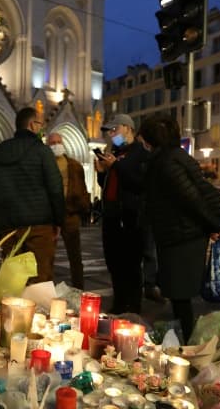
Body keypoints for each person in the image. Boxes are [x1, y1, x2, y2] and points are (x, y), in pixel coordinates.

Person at [139, 115, 220, 339]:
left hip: (182, 236)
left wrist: (214, 225)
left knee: (180, 295)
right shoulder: (169, 158)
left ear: (152, 140)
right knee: (178, 294)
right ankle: (184, 341)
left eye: (145, 139)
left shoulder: (168, 162)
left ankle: (188, 344)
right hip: (177, 234)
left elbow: (192, 198)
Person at [0, 107, 64, 284]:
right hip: (39, 226)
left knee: (14, 283)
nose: (42, 128)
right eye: (40, 124)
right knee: (41, 279)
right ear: (31, 125)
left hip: (7, 228)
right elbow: (55, 188)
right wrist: (58, 221)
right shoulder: (42, 151)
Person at [95, 114, 149, 314]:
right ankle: (119, 303)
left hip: (130, 218)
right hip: (111, 215)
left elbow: (138, 183)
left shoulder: (139, 153)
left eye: (114, 129)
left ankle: (133, 307)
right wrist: (102, 172)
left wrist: (115, 166)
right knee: (114, 263)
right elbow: (110, 186)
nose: (111, 134)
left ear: (127, 128)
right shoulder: (115, 152)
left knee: (131, 265)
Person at [47, 133, 91, 289]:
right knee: (47, 257)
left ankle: (79, 289)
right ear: (47, 145)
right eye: (53, 143)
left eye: (59, 142)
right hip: (50, 216)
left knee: (75, 256)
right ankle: (46, 291)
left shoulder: (74, 165)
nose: (56, 145)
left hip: (70, 214)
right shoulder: (44, 163)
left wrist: (83, 206)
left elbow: (83, 188)